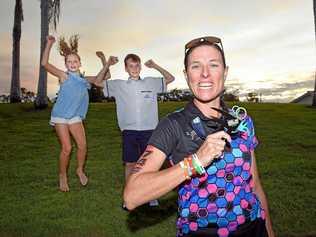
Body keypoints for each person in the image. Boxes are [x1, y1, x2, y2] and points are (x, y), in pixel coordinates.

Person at [124, 36, 275, 237]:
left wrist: (269, 230)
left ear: (225, 72)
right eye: (196, 66)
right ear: (187, 75)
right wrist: (195, 162)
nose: (205, 74)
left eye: (213, 65)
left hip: (254, 227)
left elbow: (254, 184)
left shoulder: (242, 120)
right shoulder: (173, 124)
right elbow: (132, 196)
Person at [96, 52, 175, 206]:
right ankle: (130, 195)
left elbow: (170, 78)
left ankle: (151, 194)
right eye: (131, 66)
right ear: (126, 68)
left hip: (149, 130)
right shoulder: (119, 85)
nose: (134, 68)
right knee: (131, 164)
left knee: (149, 164)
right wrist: (107, 64)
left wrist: (155, 66)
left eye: (137, 65)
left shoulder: (150, 83)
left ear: (140, 66)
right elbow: (98, 82)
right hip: (129, 131)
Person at [41, 35, 117, 192]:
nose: (72, 64)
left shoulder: (83, 80)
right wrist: (49, 44)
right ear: (66, 64)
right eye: (69, 62)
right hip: (61, 115)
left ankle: (79, 170)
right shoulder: (64, 76)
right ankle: (63, 176)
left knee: (82, 146)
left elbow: (105, 76)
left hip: (75, 116)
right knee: (67, 148)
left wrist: (105, 61)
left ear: (80, 63)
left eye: (75, 61)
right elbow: (44, 64)